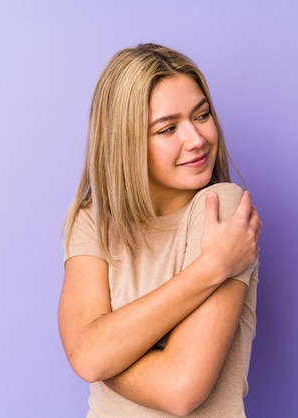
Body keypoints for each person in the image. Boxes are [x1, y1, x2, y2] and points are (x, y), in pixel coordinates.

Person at [58, 43, 261, 417]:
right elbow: (86, 355)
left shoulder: (222, 210)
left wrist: (106, 352)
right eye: (168, 128)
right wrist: (210, 269)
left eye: (201, 116)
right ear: (125, 141)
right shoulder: (93, 222)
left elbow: (181, 389)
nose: (196, 139)